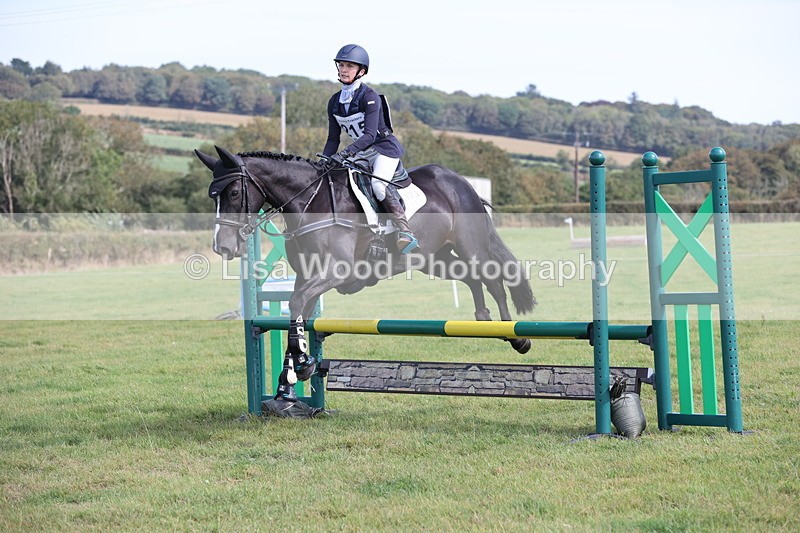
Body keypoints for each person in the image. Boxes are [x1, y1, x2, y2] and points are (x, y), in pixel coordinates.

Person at [322, 44, 419, 254]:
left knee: (378, 186)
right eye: (341, 65)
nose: (343, 70)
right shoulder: (334, 102)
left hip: (383, 149)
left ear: (361, 71)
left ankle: (405, 232)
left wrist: (345, 154)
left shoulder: (369, 97)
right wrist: (324, 162)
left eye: (349, 66)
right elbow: (333, 138)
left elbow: (369, 135)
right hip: (361, 151)